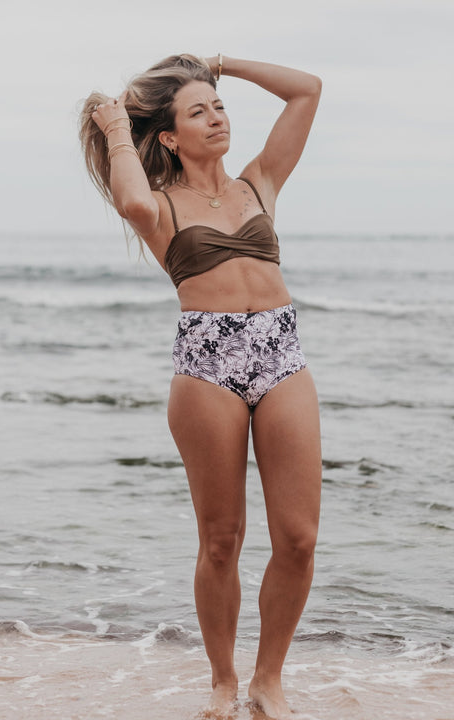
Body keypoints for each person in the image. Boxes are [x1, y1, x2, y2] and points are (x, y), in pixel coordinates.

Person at [79, 53, 322, 719]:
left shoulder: (259, 184)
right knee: (221, 539)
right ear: (168, 136)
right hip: (207, 364)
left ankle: (269, 681)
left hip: (280, 353)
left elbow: (307, 91)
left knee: (298, 538)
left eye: (218, 108)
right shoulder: (159, 207)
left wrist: (221, 67)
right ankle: (222, 681)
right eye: (197, 112)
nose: (216, 118)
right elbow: (128, 197)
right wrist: (112, 127)